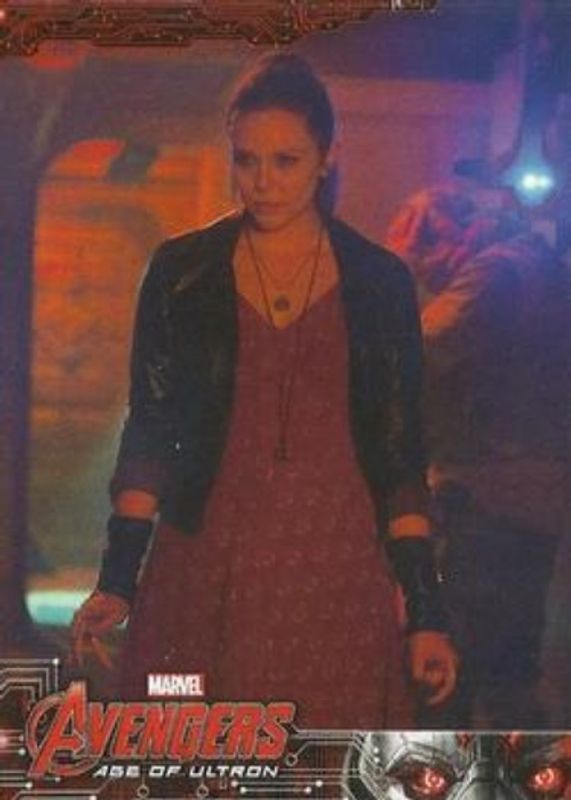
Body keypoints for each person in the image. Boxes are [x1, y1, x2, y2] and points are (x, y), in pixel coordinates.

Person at [71, 54, 457, 729]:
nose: (263, 181)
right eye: (246, 160)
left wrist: (425, 612)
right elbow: (152, 429)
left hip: (334, 572)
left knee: (318, 755)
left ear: (326, 157)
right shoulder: (183, 272)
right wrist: (117, 579)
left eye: (285, 160)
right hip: (205, 564)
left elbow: (400, 458)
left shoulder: (378, 282)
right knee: (192, 738)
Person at [386, 179, 569, 727]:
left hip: (485, 495)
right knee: (510, 672)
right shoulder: (537, 266)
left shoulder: (495, 272)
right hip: (532, 500)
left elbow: (415, 352)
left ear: (445, 236)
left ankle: (438, 772)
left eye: (421, 261)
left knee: (448, 671)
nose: (425, 278)